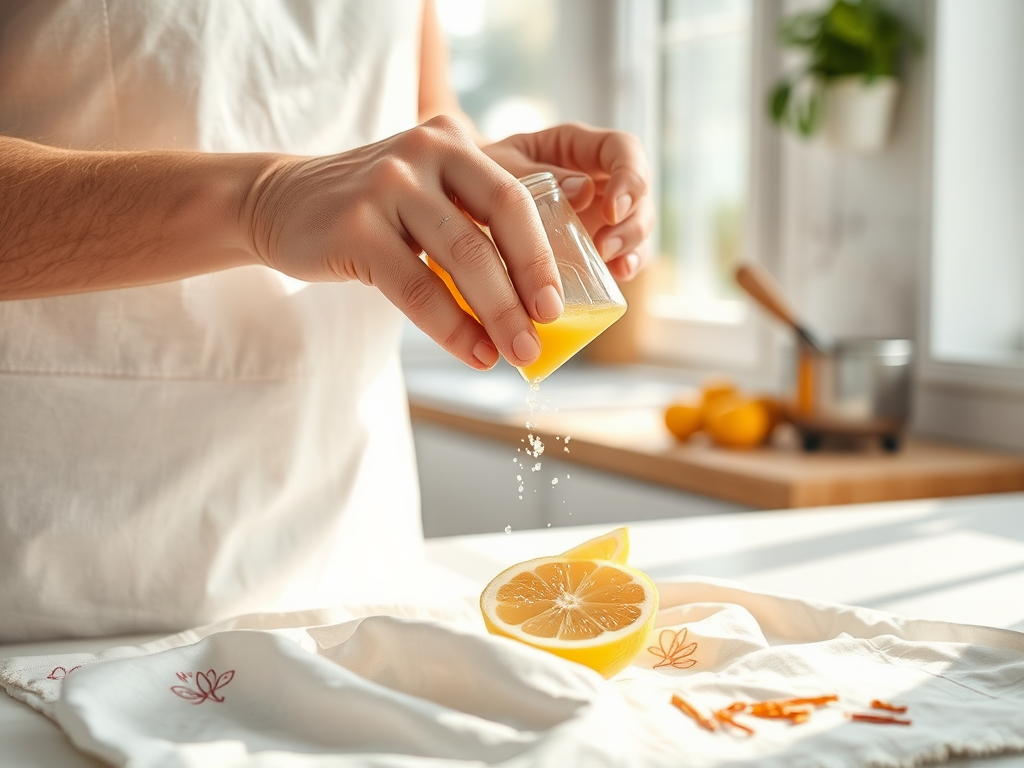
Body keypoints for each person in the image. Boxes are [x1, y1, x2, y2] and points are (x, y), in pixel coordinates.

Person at [0, 0, 653, 642]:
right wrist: (258, 199)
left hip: (353, 554)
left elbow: (413, 102)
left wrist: (485, 178)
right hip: (65, 570)